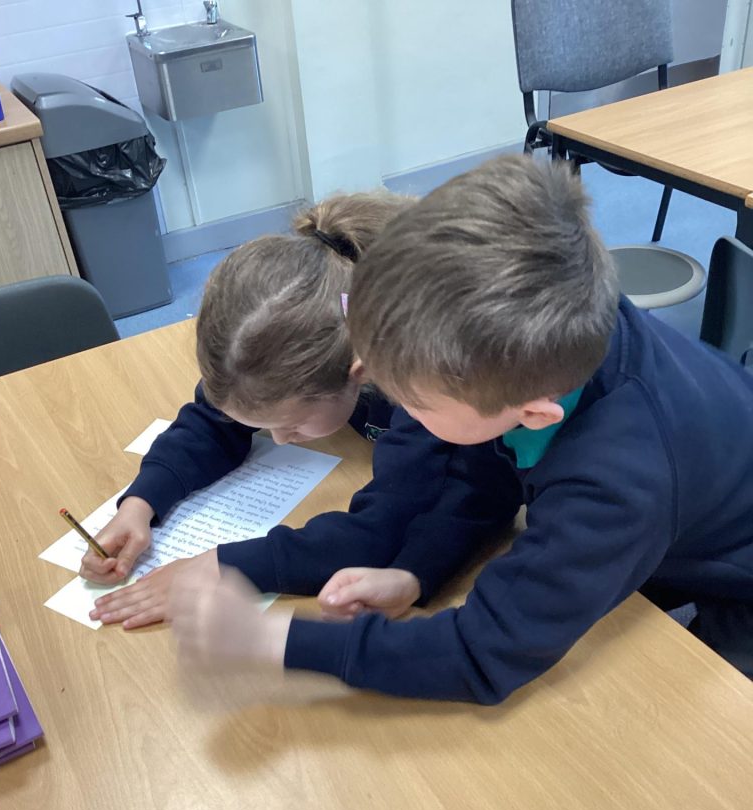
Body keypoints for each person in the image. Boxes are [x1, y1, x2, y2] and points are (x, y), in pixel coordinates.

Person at [169, 153, 753, 701]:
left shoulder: (614, 483)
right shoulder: (542, 352)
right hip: (688, 505)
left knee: (699, 712)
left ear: (534, 413)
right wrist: (415, 571)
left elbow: (484, 653)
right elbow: (487, 470)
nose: (400, 416)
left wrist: (277, 642)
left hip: (735, 569)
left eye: (412, 404)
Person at [81, 192, 512, 628]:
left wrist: (224, 568)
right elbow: (214, 420)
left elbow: (382, 531)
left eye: (292, 425)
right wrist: (140, 504)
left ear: (358, 371)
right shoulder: (320, 306)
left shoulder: (429, 382)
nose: (281, 440)